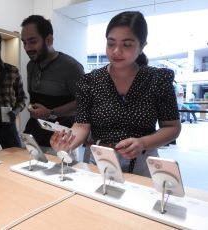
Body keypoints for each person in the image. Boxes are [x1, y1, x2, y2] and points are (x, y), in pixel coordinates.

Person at [50, 11, 181, 177]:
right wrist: (67, 143)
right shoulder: (91, 81)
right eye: (111, 43)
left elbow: (172, 127)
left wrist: (142, 142)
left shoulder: (157, 79)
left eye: (127, 44)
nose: (116, 51)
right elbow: (82, 125)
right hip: (98, 158)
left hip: (142, 161)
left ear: (142, 46)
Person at [20, 15, 85, 154]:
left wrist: (51, 113)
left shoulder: (72, 67)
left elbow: (84, 104)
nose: (27, 48)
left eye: (32, 41)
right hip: (33, 134)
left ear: (48, 40)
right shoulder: (31, 65)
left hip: (61, 140)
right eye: (24, 42)